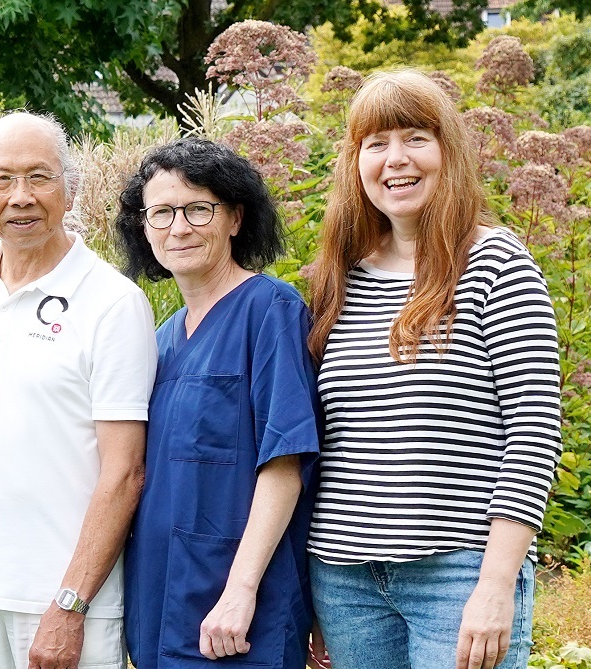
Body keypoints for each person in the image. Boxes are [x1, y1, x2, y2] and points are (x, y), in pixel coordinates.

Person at [304, 69, 561, 669]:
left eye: (416, 137)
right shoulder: (339, 278)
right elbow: (322, 440)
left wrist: (497, 587)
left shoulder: (498, 265)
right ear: (356, 162)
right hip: (344, 581)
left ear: (449, 151)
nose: (396, 159)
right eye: (376, 143)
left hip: (460, 575)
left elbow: (533, 434)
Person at [0, 111, 156, 669]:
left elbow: (125, 472)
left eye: (40, 176)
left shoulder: (112, 302)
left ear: (71, 187)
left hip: (67, 603)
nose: (21, 196)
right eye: (2, 178)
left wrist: (71, 603)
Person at [111, 138, 320, 669]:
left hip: (240, 610)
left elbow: (285, 462)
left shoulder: (270, 311)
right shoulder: (159, 340)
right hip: (160, 602)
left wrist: (241, 589)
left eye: (198, 208)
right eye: (160, 212)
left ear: (234, 218)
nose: (178, 227)